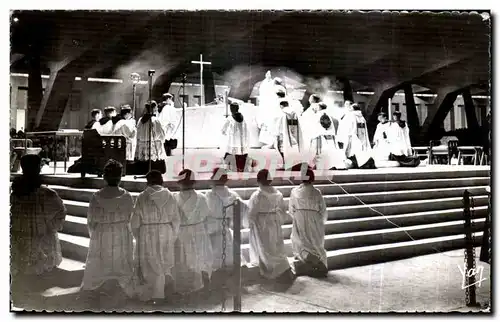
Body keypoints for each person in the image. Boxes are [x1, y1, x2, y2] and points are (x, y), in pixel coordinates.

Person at [81, 160, 135, 303]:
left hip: (102, 232)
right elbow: (131, 217)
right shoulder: (126, 196)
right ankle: (120, 284)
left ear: (104, 177)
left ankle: (99, 286)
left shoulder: (96, 197)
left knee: (100, 260)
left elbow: (91, 219)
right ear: (120, 177)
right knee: (120, 260)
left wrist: (94, 234)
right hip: (121, 232)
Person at [10, 155, 66, 279]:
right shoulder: (47, 194)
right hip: (39, 237)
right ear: (38, 169)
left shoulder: (14, 193)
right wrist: (50, 226)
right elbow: (60, 213)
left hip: (20, 236)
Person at [132, 170, 181, 302]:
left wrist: (138, 235)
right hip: (166, 231)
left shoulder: (142, 196)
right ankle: (164, 292)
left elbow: (135, 221)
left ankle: (152, 294)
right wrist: (173, 235)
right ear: (161, 181)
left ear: (148, 182)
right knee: (164, 262)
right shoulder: (170, 196)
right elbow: (176, 219)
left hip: (147, 232)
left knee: (149, 264)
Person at [247, 169, 293, 281]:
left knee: (265, 246)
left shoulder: (257, 195)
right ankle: (282, 267)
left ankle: (272, 270)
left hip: (262, 223)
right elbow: (283, 210)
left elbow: (251, 212)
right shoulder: (278, 194)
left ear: (259, 180)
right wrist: (278, 220)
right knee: (276, 246)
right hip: (274, 222)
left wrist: (250, 222)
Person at [173, 169, 213, 294]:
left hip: (181, 232)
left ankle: (186, 286)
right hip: (198, 230)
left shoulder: (174, 198)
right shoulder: (201, 197)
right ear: (194, 182)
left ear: (179, 182)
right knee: (199, 257)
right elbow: (206, 214)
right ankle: (200, 285)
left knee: (184, 259)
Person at [205, 168, 247, 281]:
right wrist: (232, 222)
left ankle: (217, 274)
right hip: (225, 227)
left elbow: (205, 213)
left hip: (212, 228)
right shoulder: (233, 195)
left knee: (216, 251)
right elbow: (242, 209)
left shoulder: (208, 195)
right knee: (227, 248)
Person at [289, 169, 328, 277]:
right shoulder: (317, 192)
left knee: (299, 241)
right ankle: (318, 260)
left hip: (300, 219)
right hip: (315, 220)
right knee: (316, 242)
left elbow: (291, 210)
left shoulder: (294, 192)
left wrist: (297, 217)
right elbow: (323, 210)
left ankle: (305, 256)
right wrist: (321, 221)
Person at [275, 100, 312, 170]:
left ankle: (285, 164)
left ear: (281, 106)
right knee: (294, 147)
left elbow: (278, 125)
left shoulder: (281, 113)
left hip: (284, 134)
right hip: (295, 133)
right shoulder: (294, 113)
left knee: (282, 148)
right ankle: (295, 163)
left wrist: (277, 134)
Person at [336, 103, 374, 169]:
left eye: (351, 108)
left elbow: (349, 126)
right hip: (362, 136)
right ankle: (363, 162)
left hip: (353, 136)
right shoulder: (362, 117)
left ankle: (360, 163)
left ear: (353, 109)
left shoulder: (352, 115)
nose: (349, 109)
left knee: (353, 151)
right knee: (361, 150)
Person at [135, 101, 167, 174]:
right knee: (154, 159)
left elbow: (138, 132)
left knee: (145, 159)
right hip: (153, 143)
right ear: (154, 108)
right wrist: (162, 138)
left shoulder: (141, 120)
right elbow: (160, 133)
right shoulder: (155, 120)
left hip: (143, 143)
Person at [221, 102, 250, 172]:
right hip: (241, 140)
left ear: (231, 109)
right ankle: (241, 167)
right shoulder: (242, 117)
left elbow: (224, 128)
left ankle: (228, 167)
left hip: (233, 139)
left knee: (230, 152)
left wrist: (223, 132)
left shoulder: (230, 118)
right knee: (240, 153)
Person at [112, 105, 137, 170]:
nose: (131, 115)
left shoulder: (119, 122)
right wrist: (134, 129)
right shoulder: (123, 123)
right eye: (130, 113)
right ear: (126, 114)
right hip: (124, 145)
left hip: (120, 144)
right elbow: (131, 135)